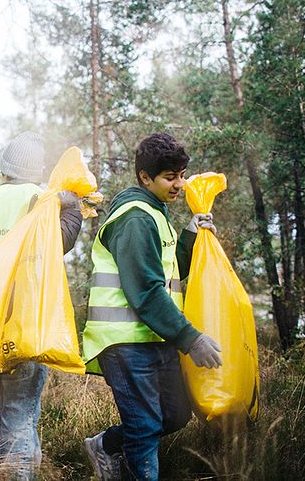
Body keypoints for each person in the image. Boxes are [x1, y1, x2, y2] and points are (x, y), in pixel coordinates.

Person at [82, 133, 222, 481]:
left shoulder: (156, 215)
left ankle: (107, 445)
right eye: (170, 177)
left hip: (155, 338)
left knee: (175, 415)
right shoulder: (135, 218)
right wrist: (191, 339)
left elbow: (168, 275)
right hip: (126, 342)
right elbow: (145, 290)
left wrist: (191, 234)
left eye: (182, 174)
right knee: (144, 429)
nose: (180, 184)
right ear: (145, 177)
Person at [0, 133, 83, 480]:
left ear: (5, 167)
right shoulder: (39, 198)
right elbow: (54, 246)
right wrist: (73, 211)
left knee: (6, 413)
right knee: (22, 414)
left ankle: (3, 472)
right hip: (27, 322)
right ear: (38, 170)